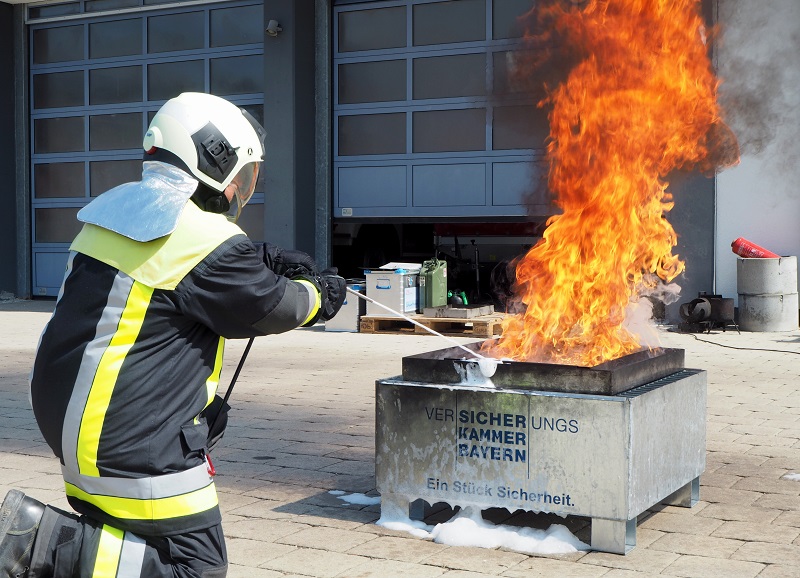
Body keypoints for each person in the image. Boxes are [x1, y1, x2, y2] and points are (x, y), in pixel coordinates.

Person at [0, 92, 345, 577]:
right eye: (243, 176)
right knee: (196, 568)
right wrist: (324, 292)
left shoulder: (118, 212)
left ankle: (59, 546)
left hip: (79, 429)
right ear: (215, 161)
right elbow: (273, 305)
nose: (240, 193)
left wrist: (258, 258)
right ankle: (40, 545)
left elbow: (180, 277)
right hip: (130, 447)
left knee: (129, 550)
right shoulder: (204, 241)